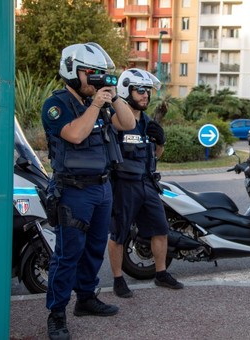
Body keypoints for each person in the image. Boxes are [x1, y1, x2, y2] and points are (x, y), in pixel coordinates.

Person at [42, 42, 135, 340]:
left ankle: (85, 299)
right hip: (73, 190)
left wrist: (114, 96)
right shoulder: (57, 105)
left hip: (102, 187)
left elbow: (129, 123)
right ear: (71, 70)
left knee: (95, 249)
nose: (97, 80)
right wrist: (96, 104)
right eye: (91, 73)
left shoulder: (99, 103)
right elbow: (75, 134)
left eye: (102, 74)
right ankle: (56, 314)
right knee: (68, 254)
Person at [108, 68, 184, 299]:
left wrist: (160, 141)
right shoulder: (116, 117)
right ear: (125, 90)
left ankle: (161, 274)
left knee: (161, 230)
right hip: (124, 185)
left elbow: (156, 154)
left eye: (147, 91)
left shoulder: (148, 121)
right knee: (119, 234)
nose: (145, 96)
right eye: (140, 90)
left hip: (147, 183)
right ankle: (118, 279)